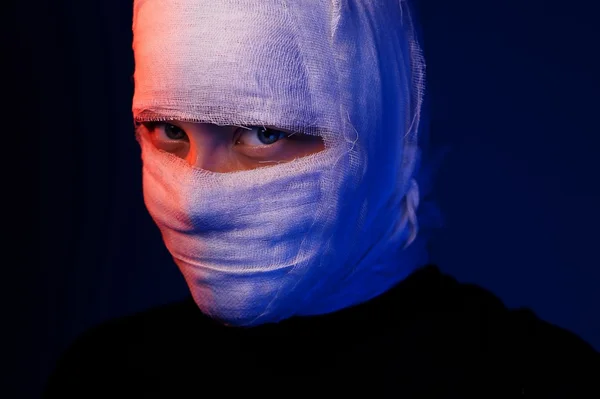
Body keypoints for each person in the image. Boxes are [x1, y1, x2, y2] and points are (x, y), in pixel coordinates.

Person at [45, 0, 599, 397]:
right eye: (169, 130)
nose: (193, 200)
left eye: (263, 132)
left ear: (378, 125)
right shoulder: (105, 376)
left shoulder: (540, 382)